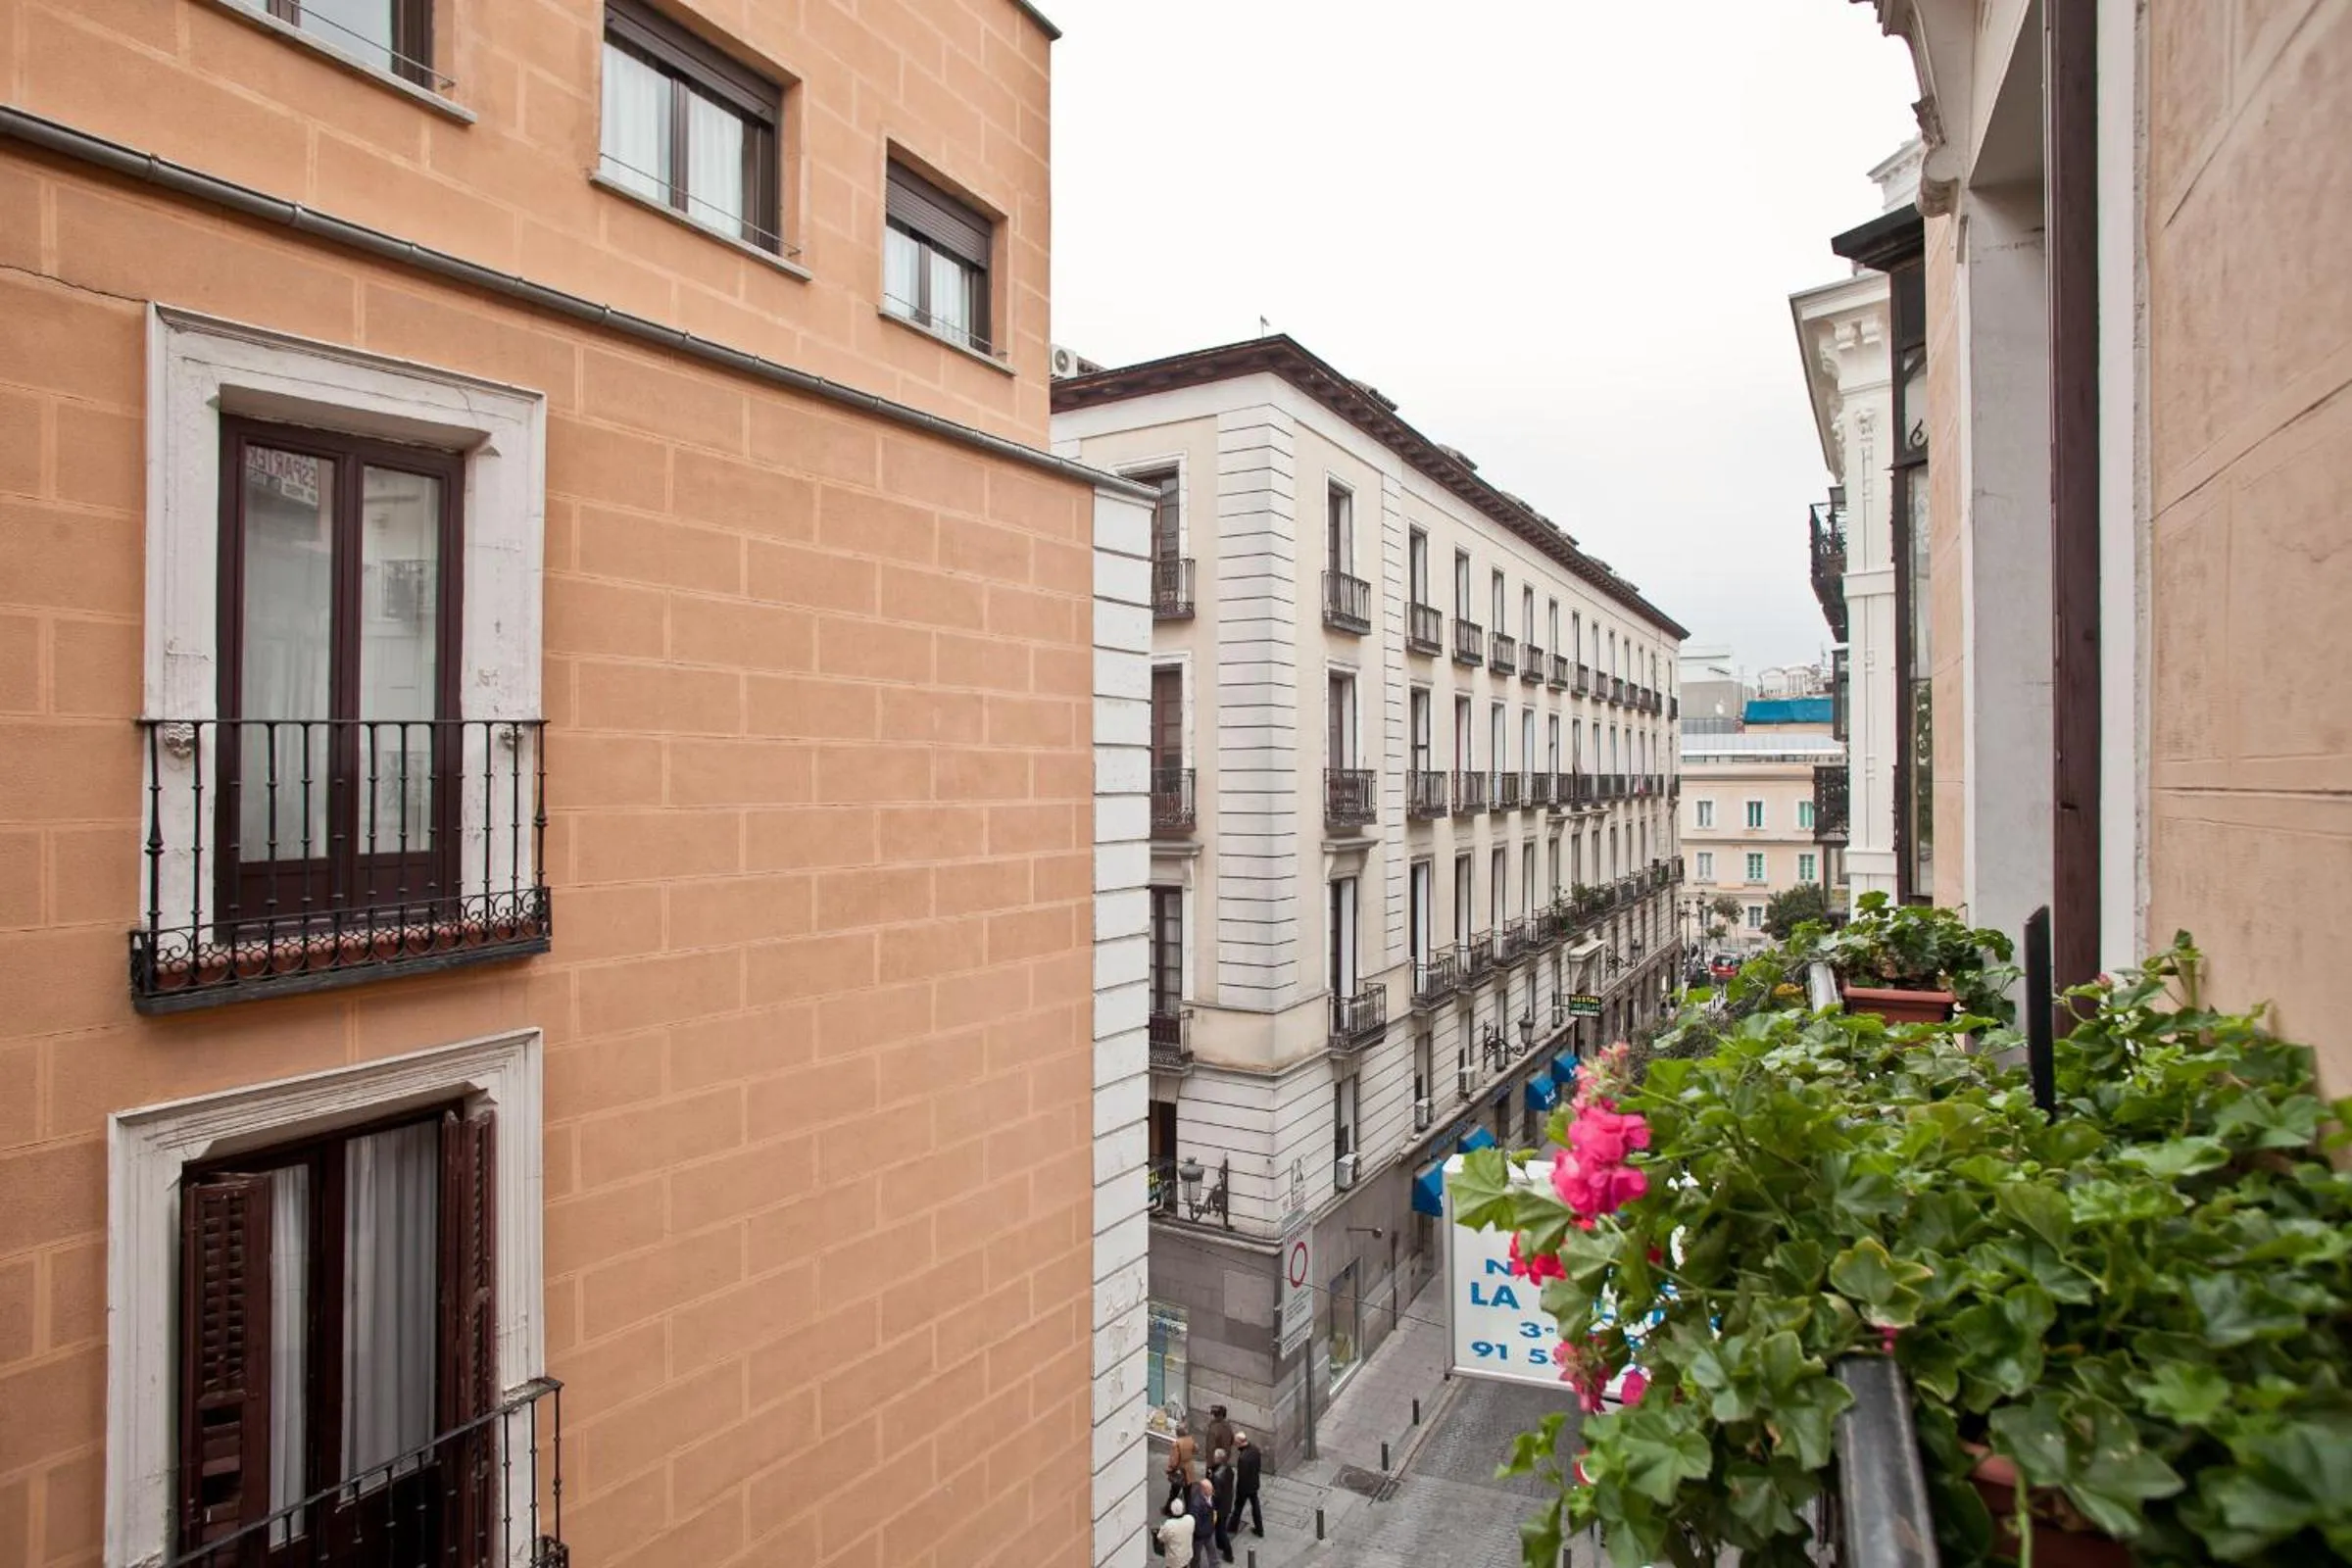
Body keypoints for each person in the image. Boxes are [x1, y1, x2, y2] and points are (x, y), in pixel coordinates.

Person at [1231, 1431, 1263, 1538]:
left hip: (1245, 1488)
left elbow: (1242, 1477)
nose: (1235, 1444)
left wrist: (1239, 1490)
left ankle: (1232, 1527)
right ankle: (1260, 1529)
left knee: (1238, 1507)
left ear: (1240, 1442)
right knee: (1255, 1506)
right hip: (1254, 1483)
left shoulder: (1243, 1458)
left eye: (1236, 1442)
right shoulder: (1255, 1449)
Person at [1207, 1447, 1238, 1564]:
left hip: (1220, 1508)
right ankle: (1220, 1544)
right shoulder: (1228, 1468)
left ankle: (1228, 1553)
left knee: (1220, 1530)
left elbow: (1216, 1495)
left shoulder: (1216, 1476)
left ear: (1218, 1459)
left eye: (1215, 1457)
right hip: (1227, 1502)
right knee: (1221, 1527)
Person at [1188, 1472, 1219, 1568]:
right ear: (1204, 1490)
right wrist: (1201, 1533)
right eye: (1210, 1490)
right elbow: (1195, 1522)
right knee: (1196, 1557)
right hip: (1200, 1536)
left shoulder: (1209, 1496)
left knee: (1213, 1554)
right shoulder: (1196, 1504)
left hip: (1209, 1532)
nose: (1212, 1491)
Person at [1164, 1424, 1197, 1507]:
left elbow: (1174, 1461)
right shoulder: (1190, 1440)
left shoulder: (1176, 1444)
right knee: (1188, 1493)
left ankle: (1169, 1509)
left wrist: (1169, 1469)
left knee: (1174, 1492)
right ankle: (1189, 1511)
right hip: (1189, 1469)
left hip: (1180, 1471)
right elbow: (1196, 1450)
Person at [1154, 1495, 1196, 1563]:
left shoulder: (1169, 1525)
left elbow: (1161, 1538)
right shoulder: (1190, 1519)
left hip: (1174, 1560)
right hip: (1187, 1556)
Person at [1204, 1404, 1235, 1468]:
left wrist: (1209, 1464)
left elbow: (1210, 1448)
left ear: (1213, 1415)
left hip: (1214, 1460)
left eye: (1209, 1414)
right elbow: (1232, 1440)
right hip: (1225, 1456)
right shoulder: (1227, 1426)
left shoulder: (1213, 1429)